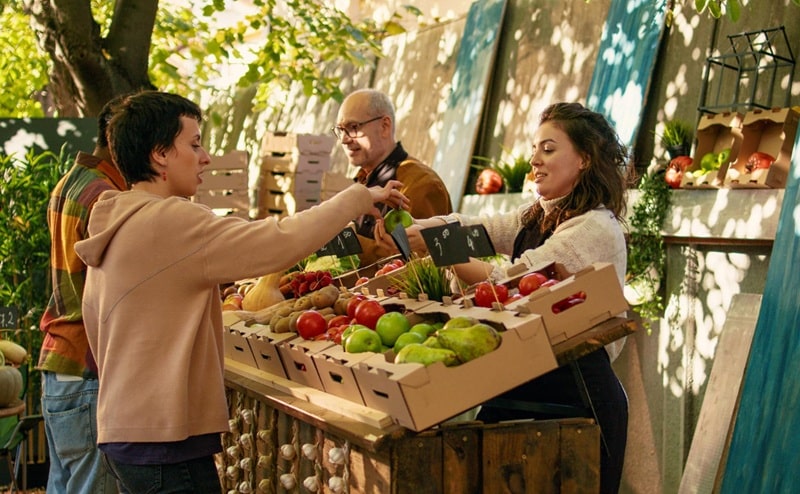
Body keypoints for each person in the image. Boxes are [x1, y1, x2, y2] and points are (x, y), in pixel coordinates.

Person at [73, 90, 408, 493]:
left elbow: (95, 324)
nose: (205, 157)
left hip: (128, 431)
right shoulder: (170, 221)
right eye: (194, 144)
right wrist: (355, 199)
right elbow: (276, 242)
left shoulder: (118, 220)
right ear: (160, 154)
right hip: (164, 441)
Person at [382, 102, 629, 493]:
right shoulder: (538, 215)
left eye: (548, 149)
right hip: (529, 379)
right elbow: (479, 228)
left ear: (584, 159)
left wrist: (439, 249)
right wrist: (423, 229)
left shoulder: (593, 229)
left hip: (580, 397)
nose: (535, 160)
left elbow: (510, 281)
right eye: (535, 150)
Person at [38, 96, 127, 494]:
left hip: (60, 366)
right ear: (116, 138)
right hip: (87, 369)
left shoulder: (71, 181)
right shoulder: (103, 195)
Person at [333, 88, 452, 265]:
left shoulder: (422, 184)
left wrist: (343, 240)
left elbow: (419, 263)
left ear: (385, 126)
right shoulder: (364, 179)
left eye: (353, 128)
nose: (344, 139)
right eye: (341, 130)